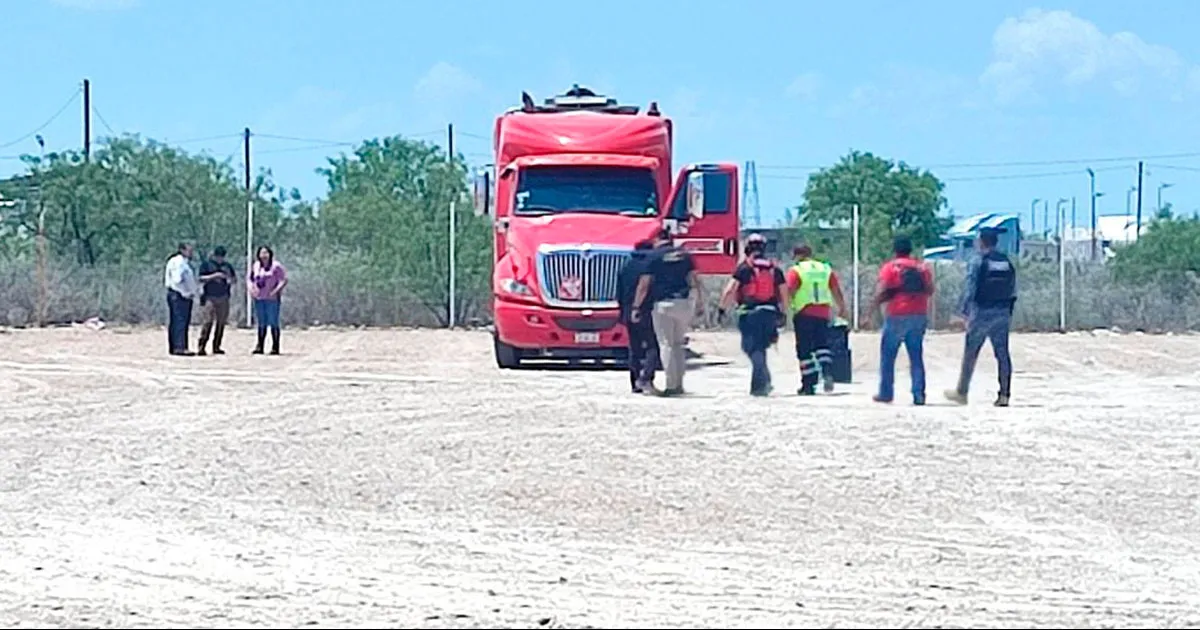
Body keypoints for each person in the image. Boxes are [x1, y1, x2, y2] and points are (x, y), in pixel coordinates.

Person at [945, 227, 1017, 407]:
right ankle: (1004, 394)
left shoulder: (978, 261)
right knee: (1002, 354)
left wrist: (962, 311)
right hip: (1002, 312)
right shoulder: (1005, 261)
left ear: (982, 241)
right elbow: (1013, 289)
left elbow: (970, 288)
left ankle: (962, 392)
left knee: (971, 353)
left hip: (982, 312)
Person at [864, 235, 935, 405]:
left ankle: (886, 393)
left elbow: (882, 290)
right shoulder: (922, 268)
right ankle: (919, 394)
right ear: (910, 249)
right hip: (918, 313)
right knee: (916, 355)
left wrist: (870, 310)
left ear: (895, 250)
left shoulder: (891, 267)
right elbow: (930, 290)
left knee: (888, 356)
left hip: (897, 313)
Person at [631, 228, 702, 397]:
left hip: (663, 304)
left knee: (666, 344)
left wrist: (636, 306)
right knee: (678, 344)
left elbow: (644, 285)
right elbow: (695, 280)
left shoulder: (654, 257)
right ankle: (679, 384)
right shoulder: (685, 255)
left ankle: (671, 385)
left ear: (657, 239)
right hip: (684, 303)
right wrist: (700, 303)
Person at [719, 233, 788, 396]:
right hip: (770, 312)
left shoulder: (744, 268)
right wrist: (783, 313)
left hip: (750, 313)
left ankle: (761, 384)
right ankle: (762, 383)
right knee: (761, 348)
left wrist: (722, 308)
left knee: (751, 348)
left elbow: (730, 290)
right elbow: (784, 293)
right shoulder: (774, 269)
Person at [784, 244, 847, 395]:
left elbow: (789, 291)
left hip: (804, 312)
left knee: (804, 349)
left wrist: (785, 310)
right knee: (822, 345)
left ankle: (809, 384)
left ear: (797, 255)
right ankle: (827, 371)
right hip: (823, 312)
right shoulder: (825, 269)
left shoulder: (797, 270)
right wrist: (842, 307)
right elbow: (836, 290)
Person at [617, 240, 660, 393]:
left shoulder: (626, 266)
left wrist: (623, 312)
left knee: (634, 347)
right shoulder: (651, 266)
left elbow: (619, 291)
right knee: (653, 346)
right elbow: (646, 288)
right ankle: (646, 378)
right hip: (646, 310)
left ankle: (634, 382)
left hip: (628, 311)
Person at [197, 246, 236, 356]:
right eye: (218, 256)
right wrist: (214, 276)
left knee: (221, 323)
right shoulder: (206, 265)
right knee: (207, 322)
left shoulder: (227, 266)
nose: (220, 259)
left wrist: (228, 279)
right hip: (210, 297)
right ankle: (202, 346)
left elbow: (234, 279)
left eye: (222, 257)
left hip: (223, 297)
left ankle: (217, 346)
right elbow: (200, 278)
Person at [249, 245, 288, 355]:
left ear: (270, 254)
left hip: (272, 299)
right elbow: (250, 279)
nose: (264, 255)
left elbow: (283, 280)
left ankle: (275, 347)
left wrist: (276, 291)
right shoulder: (256, 266)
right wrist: (251, 289)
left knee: (273, 321)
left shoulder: (276, 266)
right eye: (261, 253)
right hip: (259, 298)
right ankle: (260, 346)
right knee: (261, 322)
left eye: (266, 253)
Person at [163, 242, 199, 356]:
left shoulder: (183, 262)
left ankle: (175, 346)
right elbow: (178, 279)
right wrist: (185, 292)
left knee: (177, 321)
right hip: (179, 295)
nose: (191, 252)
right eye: (189, 250)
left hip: (180, 294)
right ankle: (180, 347)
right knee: (180, 321)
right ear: (182, 250)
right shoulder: (178, 262)